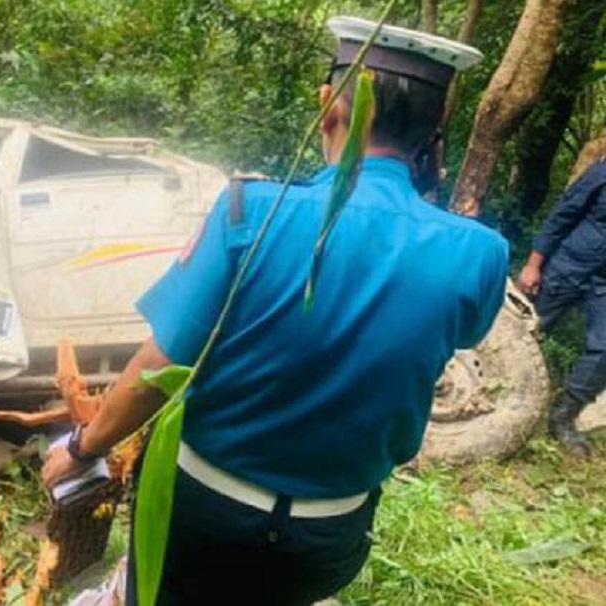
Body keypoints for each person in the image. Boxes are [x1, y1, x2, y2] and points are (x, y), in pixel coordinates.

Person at [42, 16, 508, 605]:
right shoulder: (480, 253)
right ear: (435, 129)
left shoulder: (253, 213)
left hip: (200, 518)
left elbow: (160, 366)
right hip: (330, 535)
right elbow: (454, 333)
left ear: (328, 106)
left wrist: (82, 448)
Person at [519, 160, 606, 457]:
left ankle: (562, 419)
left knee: (604, 348)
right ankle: (499, 395)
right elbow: (562, 216)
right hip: (567, 267)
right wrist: (533, 265)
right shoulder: (601, 173)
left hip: (603, 284)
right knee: (523, 330)